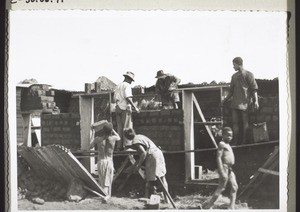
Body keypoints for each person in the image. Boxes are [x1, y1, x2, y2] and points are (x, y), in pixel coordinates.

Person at [123, 128, 169, 201]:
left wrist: (138, 165)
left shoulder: (135, 140)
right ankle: (167, 199)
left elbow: (143, 153)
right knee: (162, 177)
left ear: (128, 136)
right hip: (158, 153)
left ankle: (147, 196)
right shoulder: (139, 136)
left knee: (150, 178)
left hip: (152, 156)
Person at [222, 57, 259, 145]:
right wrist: (225, 100)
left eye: (234, 65)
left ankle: (244, 141)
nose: (233, 67)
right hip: (235, 103)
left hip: (245, 103)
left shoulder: (249, 74)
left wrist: (256, 101)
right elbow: (231, 91)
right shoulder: (234, 76)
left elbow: (254, 89)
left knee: (244, 122)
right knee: (236, 123)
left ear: (239, 64)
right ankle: (236, 141)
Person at [203, 127, 238, 209]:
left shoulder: (228, 144)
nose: (230, 137)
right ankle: (208, 206)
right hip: (224, 168)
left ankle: (231, 207)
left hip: (230, 169)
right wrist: (222, 172)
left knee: (234, 187)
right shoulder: (221, 144)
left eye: (231, 136)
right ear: (223, 135)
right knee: (221, 188)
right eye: (228, 135)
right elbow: (218, 158)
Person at [89, 121, 121, 198]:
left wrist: (93, 133)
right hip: (109, 162)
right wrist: (112, 129)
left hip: (101, 162)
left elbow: (90, 146)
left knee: (103, 182)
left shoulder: (97, 139)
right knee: (108, 181)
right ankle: (106, 196)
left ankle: (105, 196)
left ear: (103, 131)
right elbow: (119, 137)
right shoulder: (113, 138)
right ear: (110, 132)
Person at [114, 71, 140, 150]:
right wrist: (135, 107)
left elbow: (114, 98)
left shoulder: (118, 85)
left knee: (119, 128)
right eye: (131, 80)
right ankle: (127, 146)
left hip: (118, 107)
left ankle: (119, 146)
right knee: (127, 127)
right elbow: (128, 97)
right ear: (128, 79)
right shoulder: (127, 85)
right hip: (125, 108)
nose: (131, 82)